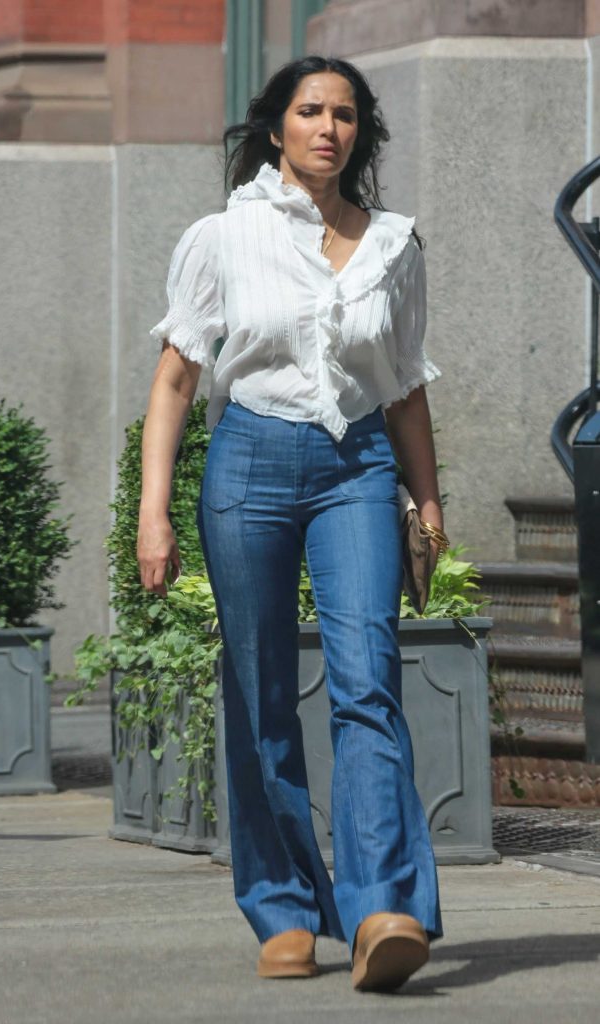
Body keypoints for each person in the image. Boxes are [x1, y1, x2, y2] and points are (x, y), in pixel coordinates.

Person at [138, 55, 446, 992]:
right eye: (309, 111)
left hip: (355, 466)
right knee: (260, 688)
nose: (327, 127)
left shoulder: (394, 244)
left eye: (344, 114)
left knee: (367, 678)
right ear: (275, 127)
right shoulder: (221, 237)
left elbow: (403, 393)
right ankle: (281, 906)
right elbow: (177, 379)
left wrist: (428, 502)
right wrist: (152, 515)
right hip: (250, 464)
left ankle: (380, 907)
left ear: (360, 133)